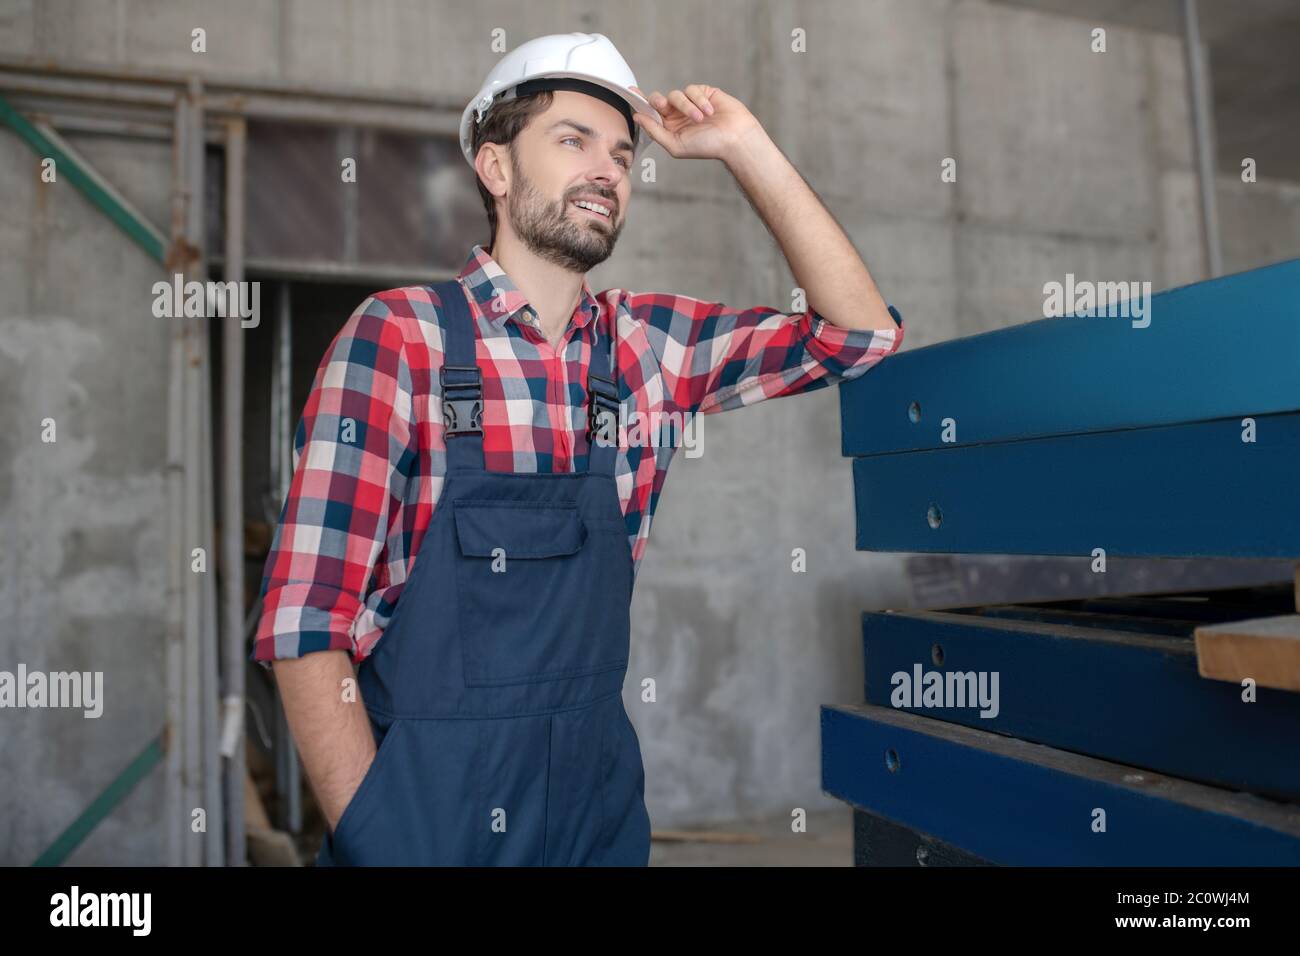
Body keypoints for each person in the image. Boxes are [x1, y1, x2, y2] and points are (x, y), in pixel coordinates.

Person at [253, 31, 904, 866]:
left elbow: (859, 339)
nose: (606, 169)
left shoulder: (648, 349)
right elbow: (305, 621)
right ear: (495, 168)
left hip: (594, 815)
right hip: (429, 819)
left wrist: (745, 146)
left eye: (623, 155)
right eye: (572, 141)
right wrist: (381, 836)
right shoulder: (401, 338)